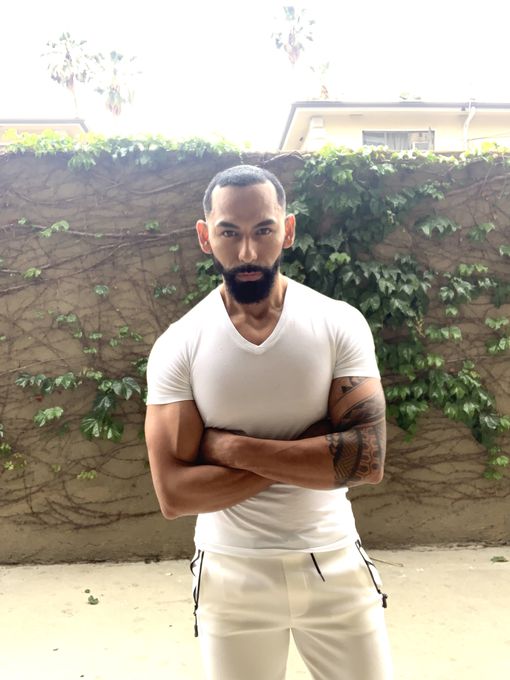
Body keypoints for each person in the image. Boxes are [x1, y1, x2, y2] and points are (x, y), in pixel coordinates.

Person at [145, 164, 393, 680]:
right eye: (228, 233)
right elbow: (175, 495)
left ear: (289, 229)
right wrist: (313, 447)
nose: (248, 252)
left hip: (333, 562)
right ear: (204, 237)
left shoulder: (338, 322)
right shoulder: (179, 344)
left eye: (263, 230)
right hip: (230, 572)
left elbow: (365, 461)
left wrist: (231, 449)